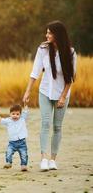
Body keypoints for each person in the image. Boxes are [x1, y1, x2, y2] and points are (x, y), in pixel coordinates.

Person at [23, 20, 77, 171]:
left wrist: (62, 97)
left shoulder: (71, 53)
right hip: (45, 91)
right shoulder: (43, 49)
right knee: (45, 124)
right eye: (46, 32)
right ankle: (44, 159)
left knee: (57, 126)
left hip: (62, 94)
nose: (46, 35)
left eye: (49, 33)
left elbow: (70, 78)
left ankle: (53, 159)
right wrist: (28, 91)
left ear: (58, 35)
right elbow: (35, 71)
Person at [0, 104, 29, 171]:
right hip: (12, 142)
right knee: (8, 152)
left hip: (22, 142)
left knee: (24, 154)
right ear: (10, 114)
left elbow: (26, 111)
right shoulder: (8, 120)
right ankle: (9, 162)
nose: (15, 116)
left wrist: (25, 104)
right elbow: (0, 120)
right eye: (13, 114)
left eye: (17, 114)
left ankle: (23, 165)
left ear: (20, 114)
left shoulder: (22, 119)